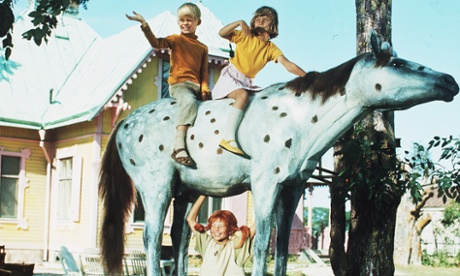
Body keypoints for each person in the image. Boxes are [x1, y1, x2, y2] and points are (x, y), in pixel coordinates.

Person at [213, 6, 307, 156]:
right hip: (231, 77)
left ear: (272, 26)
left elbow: (288, 65)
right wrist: (239, 22)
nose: (260, 20)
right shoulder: (246, 36)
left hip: (247, 81)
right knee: (242, 96)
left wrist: (308, 77)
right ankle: (228, 138)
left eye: (265, 19)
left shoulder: (271, 48)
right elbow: (222, 33)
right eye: (257, 18)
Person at [126, 3, 210, 167]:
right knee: (188, 102)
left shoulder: (202, 48)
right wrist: (144, 25)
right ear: (178, 22)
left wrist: (205, 89)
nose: (185, 23)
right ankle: (178, 146)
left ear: (197, 22)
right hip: (180, 85)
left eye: (189, 20)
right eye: (182, 20)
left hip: (197, 87)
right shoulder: (176, 40)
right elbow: (156, 43)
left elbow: (204, 72)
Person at [186, 195, 256, 275]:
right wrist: (203, 195)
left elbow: (257, 224)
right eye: (213, 226)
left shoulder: (237, 245)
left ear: (230, 229)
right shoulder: (207, 243)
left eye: (221, 226)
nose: (216, 229)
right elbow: (190, 219)